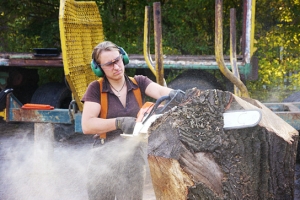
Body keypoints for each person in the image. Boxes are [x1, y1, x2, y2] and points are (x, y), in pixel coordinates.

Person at [81, 41, 183, 200]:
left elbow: (160, 91)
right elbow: (87, 125)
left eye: (117, 60)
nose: (116, 67)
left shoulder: (139, 82)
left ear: (124, 58)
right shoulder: (96, 89)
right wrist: (119, 122)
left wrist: (176, 94)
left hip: (133, 155)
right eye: (109, 64)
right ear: (99, 68)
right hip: (104, 153)